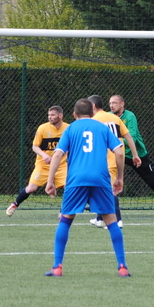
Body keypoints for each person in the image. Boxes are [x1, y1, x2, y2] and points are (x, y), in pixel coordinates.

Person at [44, 98, 130, 277]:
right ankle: (122, 267)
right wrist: (120, 178)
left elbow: (58, 155)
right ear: (93, 112)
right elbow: (120, 152)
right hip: (101, 179)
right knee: (112, 222)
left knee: (65, 221)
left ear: (74, 114)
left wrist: (50, 181)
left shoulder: (70, 129)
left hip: (76, 179)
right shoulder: (102, 128)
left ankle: (57, 267)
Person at [108, 94, 154, 217]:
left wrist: (113, 142)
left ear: (122, 104)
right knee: (103, 176)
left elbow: (132, 137)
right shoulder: (108, 116)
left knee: (152, 182)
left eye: (114, 103)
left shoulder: (130, 116)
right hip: (117, 153)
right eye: (110, 103)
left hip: (136, 155)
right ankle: (97, 204)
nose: (111, 105)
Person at [86, 95, 141, 229]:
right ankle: (100, 219)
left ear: (93, 106)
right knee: (102, 187)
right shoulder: (115, 118)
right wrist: (135, 155)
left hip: (105, 158)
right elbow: (128, 136)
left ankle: (117, 220)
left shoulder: (94, 120)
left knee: (109, 190)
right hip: (118, 156)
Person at [6, 106, 68, 216]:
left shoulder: (68, 129)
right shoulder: (43, 128)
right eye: (48, 115)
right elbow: (35, 146)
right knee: (31, 188)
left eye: (52, 115)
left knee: (68, 187)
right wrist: (44, 155)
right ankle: (15, 204)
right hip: (43, 165)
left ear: (60, 116)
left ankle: (63, 211)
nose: (49, 117)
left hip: (61, 165)